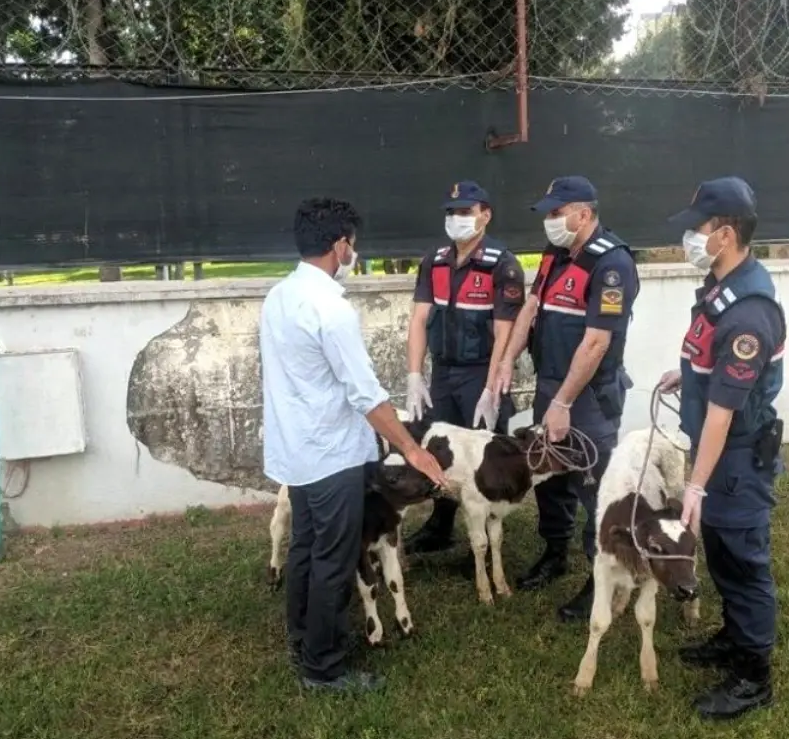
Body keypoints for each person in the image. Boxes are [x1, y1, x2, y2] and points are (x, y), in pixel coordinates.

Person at [260, 197, 448, 694]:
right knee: (334, 559)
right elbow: (366, 395)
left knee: (305, 547)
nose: (354, 252)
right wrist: (412, 449)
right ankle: (323, 668)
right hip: (330, 456)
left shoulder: (279, 295)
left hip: (296, 452)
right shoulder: (331, 309)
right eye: (353, 245)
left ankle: (302, 637)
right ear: (340, 245)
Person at [656, 175, 786, 720]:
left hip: (733, 458)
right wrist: (686, 376)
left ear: (725, 234)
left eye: (697, 228)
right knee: (723, 555)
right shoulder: (722, 288)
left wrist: (694, 483)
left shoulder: (748, 313)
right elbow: (714, 371)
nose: (689, 237)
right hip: (720, 455)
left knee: (743, 561)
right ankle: (734, 639)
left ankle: (754, 675)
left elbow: (724, 409)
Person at [495, 176, 639, 622]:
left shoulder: (612, 264)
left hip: (587, 397)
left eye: (557, 213)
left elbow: (596, 343)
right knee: (551, 479)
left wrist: (562, 404)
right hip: (550, 385)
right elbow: (530, 309)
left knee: (594, 489)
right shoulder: (557, 257)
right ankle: (554, 552)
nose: (551, 221)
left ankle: (602, 577)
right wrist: (505, 360)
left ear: (584, 213)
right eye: (549, 214)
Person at [403, 180, 526, 558]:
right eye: (451, 212)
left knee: (485, 458)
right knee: (441, 452)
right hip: (444, 372)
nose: (456, 219)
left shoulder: (501, 264)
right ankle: (441, 527)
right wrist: (414, 374)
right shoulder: (435, 260)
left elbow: (503, 331)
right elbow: (419, 318)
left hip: (480, 373)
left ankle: (488, 540)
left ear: (485, 215)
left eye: (465, 212)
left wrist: (491, 388)